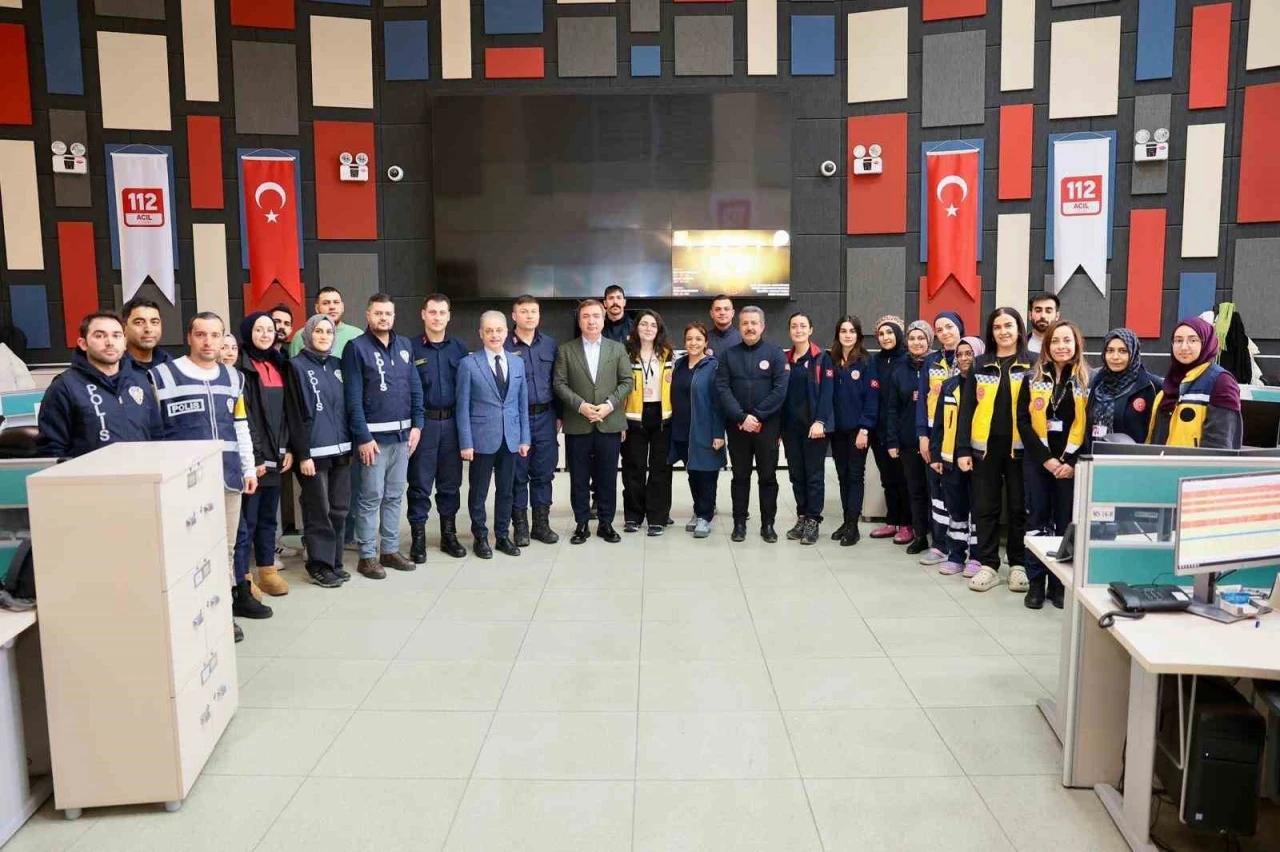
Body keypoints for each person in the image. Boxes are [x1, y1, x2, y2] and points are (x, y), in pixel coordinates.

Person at [151, 313, 267, 638]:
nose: (208, 342)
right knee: (187, 552)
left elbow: (241, 427)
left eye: (215, 335)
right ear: (189, 336)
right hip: (182, 484)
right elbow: (153, 433)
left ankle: (222, 613)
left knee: (225, 550)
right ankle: (190, 615)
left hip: (227, 477)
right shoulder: (162, 376)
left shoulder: (234, 378)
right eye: (201, 334)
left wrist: (248, 468)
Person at [342, 293, 424, 579]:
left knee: (394, 495)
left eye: (388, 313)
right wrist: (363, 437)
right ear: (368, 315)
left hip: (403, 437)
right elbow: (352, 398)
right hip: (373, 441)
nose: (383, 318)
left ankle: (389, 550)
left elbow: (415, 387)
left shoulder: (405, 346)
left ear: (394, 316)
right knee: (370, 497)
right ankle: (367, 555)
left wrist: (418, 424)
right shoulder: (356, 348)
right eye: (378, 313)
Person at [955, 307, 1033, 594]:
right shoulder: (980, 364)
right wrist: (962, 449)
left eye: (1008, 325)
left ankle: (1018, 564)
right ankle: (988, 564)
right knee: (985, 508)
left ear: (1019, 329)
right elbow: (966, 409)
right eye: (997, 326)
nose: (1003, 331)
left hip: (1021, 450)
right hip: (984, 450)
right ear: (991, 332)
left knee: (1018, 508)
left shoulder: (1034, 363)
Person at [1018, 320, 1089, 609]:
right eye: (1055, 341)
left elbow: (1091, 426)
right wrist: (1046, 459)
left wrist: (1070, 461)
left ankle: (1059, 584)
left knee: (1064, 524)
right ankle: (1036, 583)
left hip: (1071, 466)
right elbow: (1023, 422)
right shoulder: (1031, 378)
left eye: (1067, 340)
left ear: (1076, 344)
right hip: (1038, 462)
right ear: (1046, 345)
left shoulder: (1087, 380)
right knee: (1036, 521)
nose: (1061, 346)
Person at [554, 299, 633, 544]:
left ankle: (606, 523)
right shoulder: (566, 350)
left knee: (607, 476)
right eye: (586, 316)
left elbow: (627, 381)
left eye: (596, 316)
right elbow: (559, 383)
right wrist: (581, 406)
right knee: (578, 477)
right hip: (578, 423)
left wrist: (608, 405)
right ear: (579, 321)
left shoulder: (617, 348)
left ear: (604, 319)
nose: (591, 321)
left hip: (609, 423)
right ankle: (581, 524)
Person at [284, 315, 352, 588]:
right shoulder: (296, 366)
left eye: (329, 332)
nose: (324, 336)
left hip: (341, 449)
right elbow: (293, 413)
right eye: (319, 331)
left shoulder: (337, 365)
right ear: (308, 334)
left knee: (339, 509)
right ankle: (319, 565)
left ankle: (335, 562)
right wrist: (303, 454)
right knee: (318, 510)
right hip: (313, 452)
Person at [37, 312, 163, 458]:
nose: (110, 342)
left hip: (142, 471)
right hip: (89, 473)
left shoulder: (141, 381)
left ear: (124, 342)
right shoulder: (64, 387)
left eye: (116, 335)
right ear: (83, 344)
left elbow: (157, 436)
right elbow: (52, 450)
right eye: (99, 336)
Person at [458, 312, 531, 558]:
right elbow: (462, 406)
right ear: (481, 333)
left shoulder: (517, 363)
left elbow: (522, 404)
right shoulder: (469, 364)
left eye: (499, 330)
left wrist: (524, 438)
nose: (494, 335)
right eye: (488, 330)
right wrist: (466, 442)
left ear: (506, 332)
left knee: (506, 490)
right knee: (479, 491)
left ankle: (502, 536)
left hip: (510, 438)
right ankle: (480, 536)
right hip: (481, 439)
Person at [715, 306, 787, 543]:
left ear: (762, 326)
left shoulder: (776, 354)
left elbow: (780, 390)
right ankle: (739, 524)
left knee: (768, 477)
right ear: (740, 327)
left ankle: (768, 524)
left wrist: (755, 416)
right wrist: (741, 417)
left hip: (767, 427)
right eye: (745, 323)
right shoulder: (728, 355)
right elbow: (723, 389)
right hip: (738, 428)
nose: (749, 327)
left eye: (754, 323)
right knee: (740, 476)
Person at [234, 312, 293, 598]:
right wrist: (255, 458)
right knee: (248, 520)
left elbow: (287, 413)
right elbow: (245, 419)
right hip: (254, 458)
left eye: (270, 329)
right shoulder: (240, 368)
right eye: (259, 329)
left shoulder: (279, 364)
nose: (266, 334)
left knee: (269, 517)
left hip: (277, 455)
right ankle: (244, 577)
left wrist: (288, 448)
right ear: (248, 332)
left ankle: (267, 571)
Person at [408, 294, 469, 563]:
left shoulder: (459, 347)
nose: (437, 317)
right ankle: (418, 538)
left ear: (449, 316)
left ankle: (449, 535)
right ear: (423, 314)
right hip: (424, 425)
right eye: (432, 312)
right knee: (419, 484)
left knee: (450, 483)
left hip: (453, 424)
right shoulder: (410, 348)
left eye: (442, 312)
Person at [506, 295, 560, 546]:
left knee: (544, 473)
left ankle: (541, 525)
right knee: (517, 474)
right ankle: (520, 527)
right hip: (517, 419)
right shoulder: (503, 344)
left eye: (534, 311)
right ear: (514, 316)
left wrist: (559, 414)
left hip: (546, 417)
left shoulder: (549, 344)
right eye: (524, 311)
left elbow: (557, 382)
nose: (529, 316)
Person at [929, 336, 984, 577]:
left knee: (979, 509)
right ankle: (956, 555)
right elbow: (939, 424)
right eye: (960, 354)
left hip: (979, 459)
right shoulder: (949, 385)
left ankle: (978, 556)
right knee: (956, 509)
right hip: (951, 459)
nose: (963, 358)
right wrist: (936, 455)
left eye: (969, 354)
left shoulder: (986, 384)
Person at [1147, 317, 1243, 449]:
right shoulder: (1172, 381)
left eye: (1192, 340)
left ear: (1207, 342)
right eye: (1178, 340)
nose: (1184, 347)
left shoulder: (1221, 381)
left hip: (1193, 462)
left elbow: (1219, 445)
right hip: (1160, 461)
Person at [916, 312, 965, 566]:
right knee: (936, 490)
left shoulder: (970, 356)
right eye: (939, 329)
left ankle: (963, 546)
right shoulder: (931, 361)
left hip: (961, 436)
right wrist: (922, 435)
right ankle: (939, 544)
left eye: (949, 327)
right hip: (934, 434)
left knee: (960, 492)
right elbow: (922, 400)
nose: (945, 332)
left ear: (959, 328)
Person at [669, 323, 726, 538]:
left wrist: (718, 433)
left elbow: (719, 403)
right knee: (693, 473)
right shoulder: (679, 364)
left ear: (706, 342)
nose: (693, 343)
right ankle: (698, 510)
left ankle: (705, 516)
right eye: (689, 339)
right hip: (683, 430)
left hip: (705, 430)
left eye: (698, 339)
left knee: (707, 475)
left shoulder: (713, 366)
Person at [781, 312, 834, 546]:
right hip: (790, 429)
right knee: (796, 475)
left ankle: (813, 520)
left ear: (811, 330)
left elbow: (827, 393)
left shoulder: (822, 358)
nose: (798, 330)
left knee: (814, 476)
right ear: (789, 331)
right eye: (794, 326)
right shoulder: (784, 359)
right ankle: (801, 516)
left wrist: (820, 421)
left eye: (803, 326)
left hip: (814, 428)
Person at [622, 310, 675, 536]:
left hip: (662, 417)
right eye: (644, 324)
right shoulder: (625, 353)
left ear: (658, 329)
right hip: (633, 417)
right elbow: (618, 387)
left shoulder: (668, 354)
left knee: (660, 469)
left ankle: (657, 517)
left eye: (653, 325)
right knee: (633, 467)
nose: (648, 328)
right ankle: (633, 516)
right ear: (636, 328)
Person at [828, 315, 878, 547]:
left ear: (858, 335)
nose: (847, 335)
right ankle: (846, 520)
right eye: (843, 331)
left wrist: (865, 429)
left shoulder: (866, 361)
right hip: (837, 429)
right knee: (842, 475)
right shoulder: (831, 359)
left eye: (852, 331)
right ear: (837, 334)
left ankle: (853, 525)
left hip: (858, 431)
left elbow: (872, 398)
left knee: (855, 476)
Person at [888, 321, 934, 555]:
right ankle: (920, 535)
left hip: (935, 441)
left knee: (936, 492)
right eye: (912, 338)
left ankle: (941, 537)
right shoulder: (899, 371)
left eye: (921, 338)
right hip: (908, 441)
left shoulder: (938, 366)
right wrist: (892, 440)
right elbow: (892, 409)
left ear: (929, 340)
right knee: (914, 490)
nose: (917, 342)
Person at [868, 316, 911, 541]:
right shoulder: (874, 361)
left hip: (901, 430)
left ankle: (907, 524)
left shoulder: (908, 359)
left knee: (903, 479)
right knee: (887, 479)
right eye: (881, 334)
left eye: (890, 333)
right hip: (879, 430)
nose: (885, 337)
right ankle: (892, 521)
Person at [1086, 329, 1160, 451]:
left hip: (1131, 459)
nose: (1115, 357)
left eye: (1123, 351)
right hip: (1095, 457)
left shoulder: (1151, 385)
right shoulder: (1097, 381)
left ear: (1133, 353)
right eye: (1110, 350)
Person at [289, 287, 363, 357]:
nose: (332, 307)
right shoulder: (301, 336)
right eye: (326, 303)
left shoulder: (357, 335)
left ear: (342, 307)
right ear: (317, 308)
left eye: (336, 302)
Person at [121, 296, 172, 374]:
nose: (148, 329)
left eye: (154, 322)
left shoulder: (169, 364)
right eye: (139, 322)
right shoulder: (114, 367)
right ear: (124, 327)